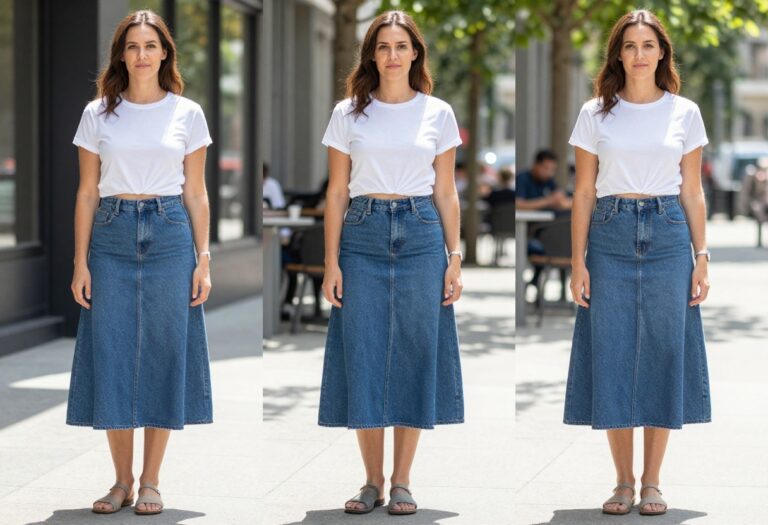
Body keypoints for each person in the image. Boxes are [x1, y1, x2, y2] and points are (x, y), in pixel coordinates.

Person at [565, 9, 711, 516]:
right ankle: (622, 482)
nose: (640, 54)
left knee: (663, 356)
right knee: (613, 354)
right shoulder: (595, 114)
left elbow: (692, 191)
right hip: (609, 234)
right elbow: (583, 192)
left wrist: (702, 256)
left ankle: (653, 482)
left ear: (662, 53)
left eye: (649, 45)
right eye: (630, 45)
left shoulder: (685, 112)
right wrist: (577, 260)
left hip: (670, 235)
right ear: (618, 54)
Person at [318, 10, 464, 516]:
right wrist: (331, 261)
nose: (393, 55)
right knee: (363, 353)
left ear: (415, 53)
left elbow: (446, 192)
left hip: (422, 235)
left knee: (414, 355)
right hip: (362, 234)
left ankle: (402, 480)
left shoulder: (438, 113)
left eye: (402, 46)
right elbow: (336, 193)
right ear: (371, 55)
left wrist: (455, 256)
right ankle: (370, 481)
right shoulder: (348, 114)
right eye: (383, 47)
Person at [67, 10, 213, 515]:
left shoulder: (187, 113)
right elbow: (87, 193)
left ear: (165, 53)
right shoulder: (98, 114)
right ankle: (120, 480)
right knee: (111, 354)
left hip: (171, 235)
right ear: (121, 55)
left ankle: (151, 480)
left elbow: (196, 193)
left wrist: (204, 259)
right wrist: (80, 262)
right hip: (110, 235)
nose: (142, 54)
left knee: (162, 355)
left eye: (151, 45)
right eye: (133, 46)